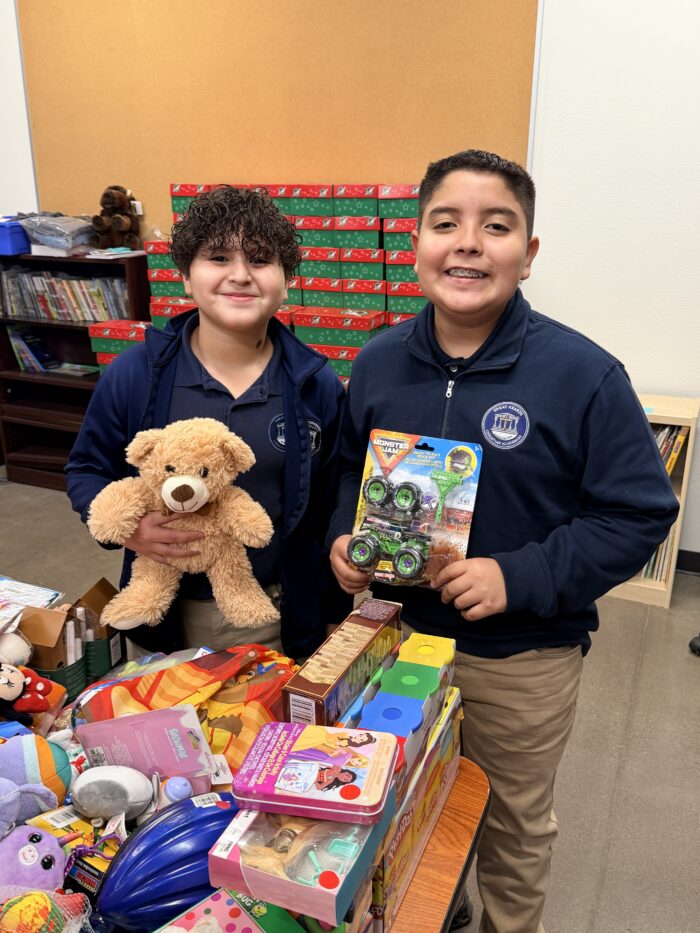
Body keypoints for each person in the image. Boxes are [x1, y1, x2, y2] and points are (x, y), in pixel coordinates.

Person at [328, 150, 679, 933]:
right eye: (445, 223)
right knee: (394, 804)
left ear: (530, 252)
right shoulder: (380, 360)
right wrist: (342, 543)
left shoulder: (584, 375)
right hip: (395, 638)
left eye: (497, 226)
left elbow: (637, 513)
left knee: (513, 828)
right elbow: (350, 470)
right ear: (415, 243)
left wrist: (517, 576)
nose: (468, 243)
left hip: (520, 656)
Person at [67, 185, 349, 662]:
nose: (240, 275)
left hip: (275, 610)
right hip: (164, 609)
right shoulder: (135, 376)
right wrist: (127, 529)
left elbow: (334, 491)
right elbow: (86, 471)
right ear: (185, 276)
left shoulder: (315, 383)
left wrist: (334, 606)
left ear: (286, 280)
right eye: (218, 257)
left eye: (260, 260)